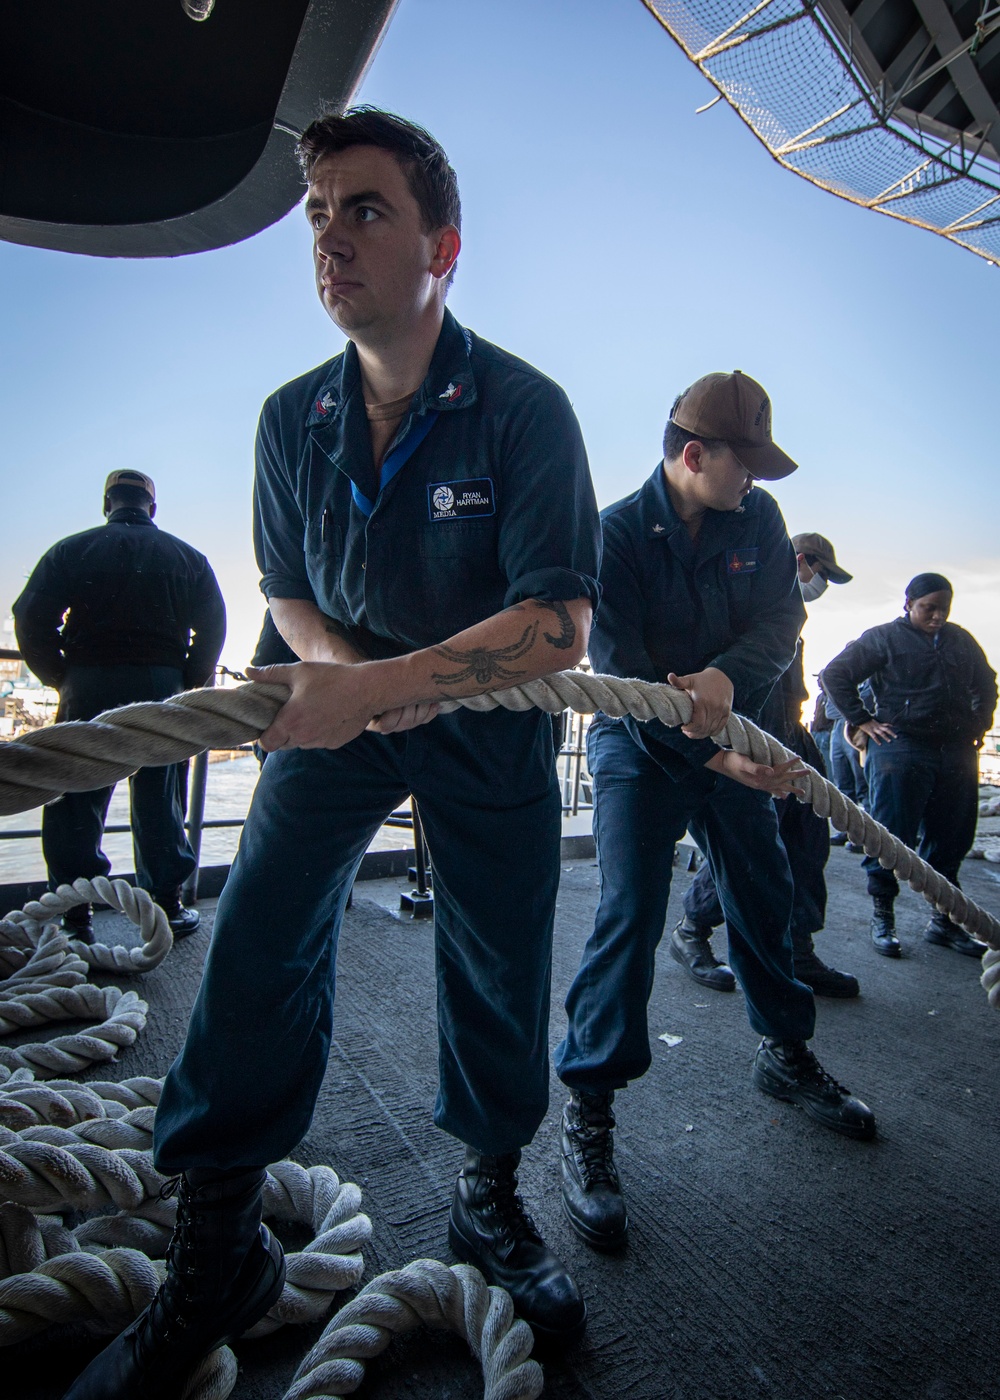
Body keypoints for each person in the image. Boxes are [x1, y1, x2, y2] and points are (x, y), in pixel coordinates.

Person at [63, 108, 601, 1400]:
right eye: (316, 214)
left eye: (364, 209)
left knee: (497, 948)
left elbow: (556, 624)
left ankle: (484, 1194)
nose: (329, 237)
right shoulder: (286, 419)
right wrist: (355, 687)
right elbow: (286, 590)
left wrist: (392, 691)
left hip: (490, 720)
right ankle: (220, 1241)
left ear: (444, 248)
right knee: (257, 927)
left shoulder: (526, 409)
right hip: (342, 701)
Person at [554, 373, 877, 1256]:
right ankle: (588, 1111)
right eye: (746, 464)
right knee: (628, 915)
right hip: (636, 740)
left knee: (765, 894)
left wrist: (731, 687)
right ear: (694, 456)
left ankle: (785, 1052)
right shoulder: (612, 534)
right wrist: (711, 752)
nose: (757, 482)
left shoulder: (760, 522)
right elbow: (617, 669)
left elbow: (779, 621)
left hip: (739, 725)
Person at [13, 471, 225, 941]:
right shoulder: (187, 557)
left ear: (107, 503)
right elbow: (212, 630)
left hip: (87, 683)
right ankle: (165, 906)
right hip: (162, 684)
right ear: (152, 507)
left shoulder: (71, 550)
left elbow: (29, 616)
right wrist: (185, 682)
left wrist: (60, 676)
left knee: (74, 793)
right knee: (160, 795)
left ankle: (74, 915)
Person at [674, 531, 860, 998]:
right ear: (800, 560)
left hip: (790, 732)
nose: (821, 585)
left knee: (808, 838)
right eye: (821, 573)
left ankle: (797, 946)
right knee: (749, 846)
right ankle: (692, 929)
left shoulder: (790, 614)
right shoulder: (749, 599)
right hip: (748, 733)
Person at [821, 573, 996, 959]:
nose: (937, 617)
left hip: (955, 750)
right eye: (928, 608)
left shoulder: (961, 640)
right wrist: (862, 719)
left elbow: (987, 681)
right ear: (909, 604)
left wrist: (980, 721)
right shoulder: (883, 638)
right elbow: (836, 675)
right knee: (890, 835)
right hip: (901, 747)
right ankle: (883, 914)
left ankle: (944, 922)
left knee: (951, 836)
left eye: (943, 610)